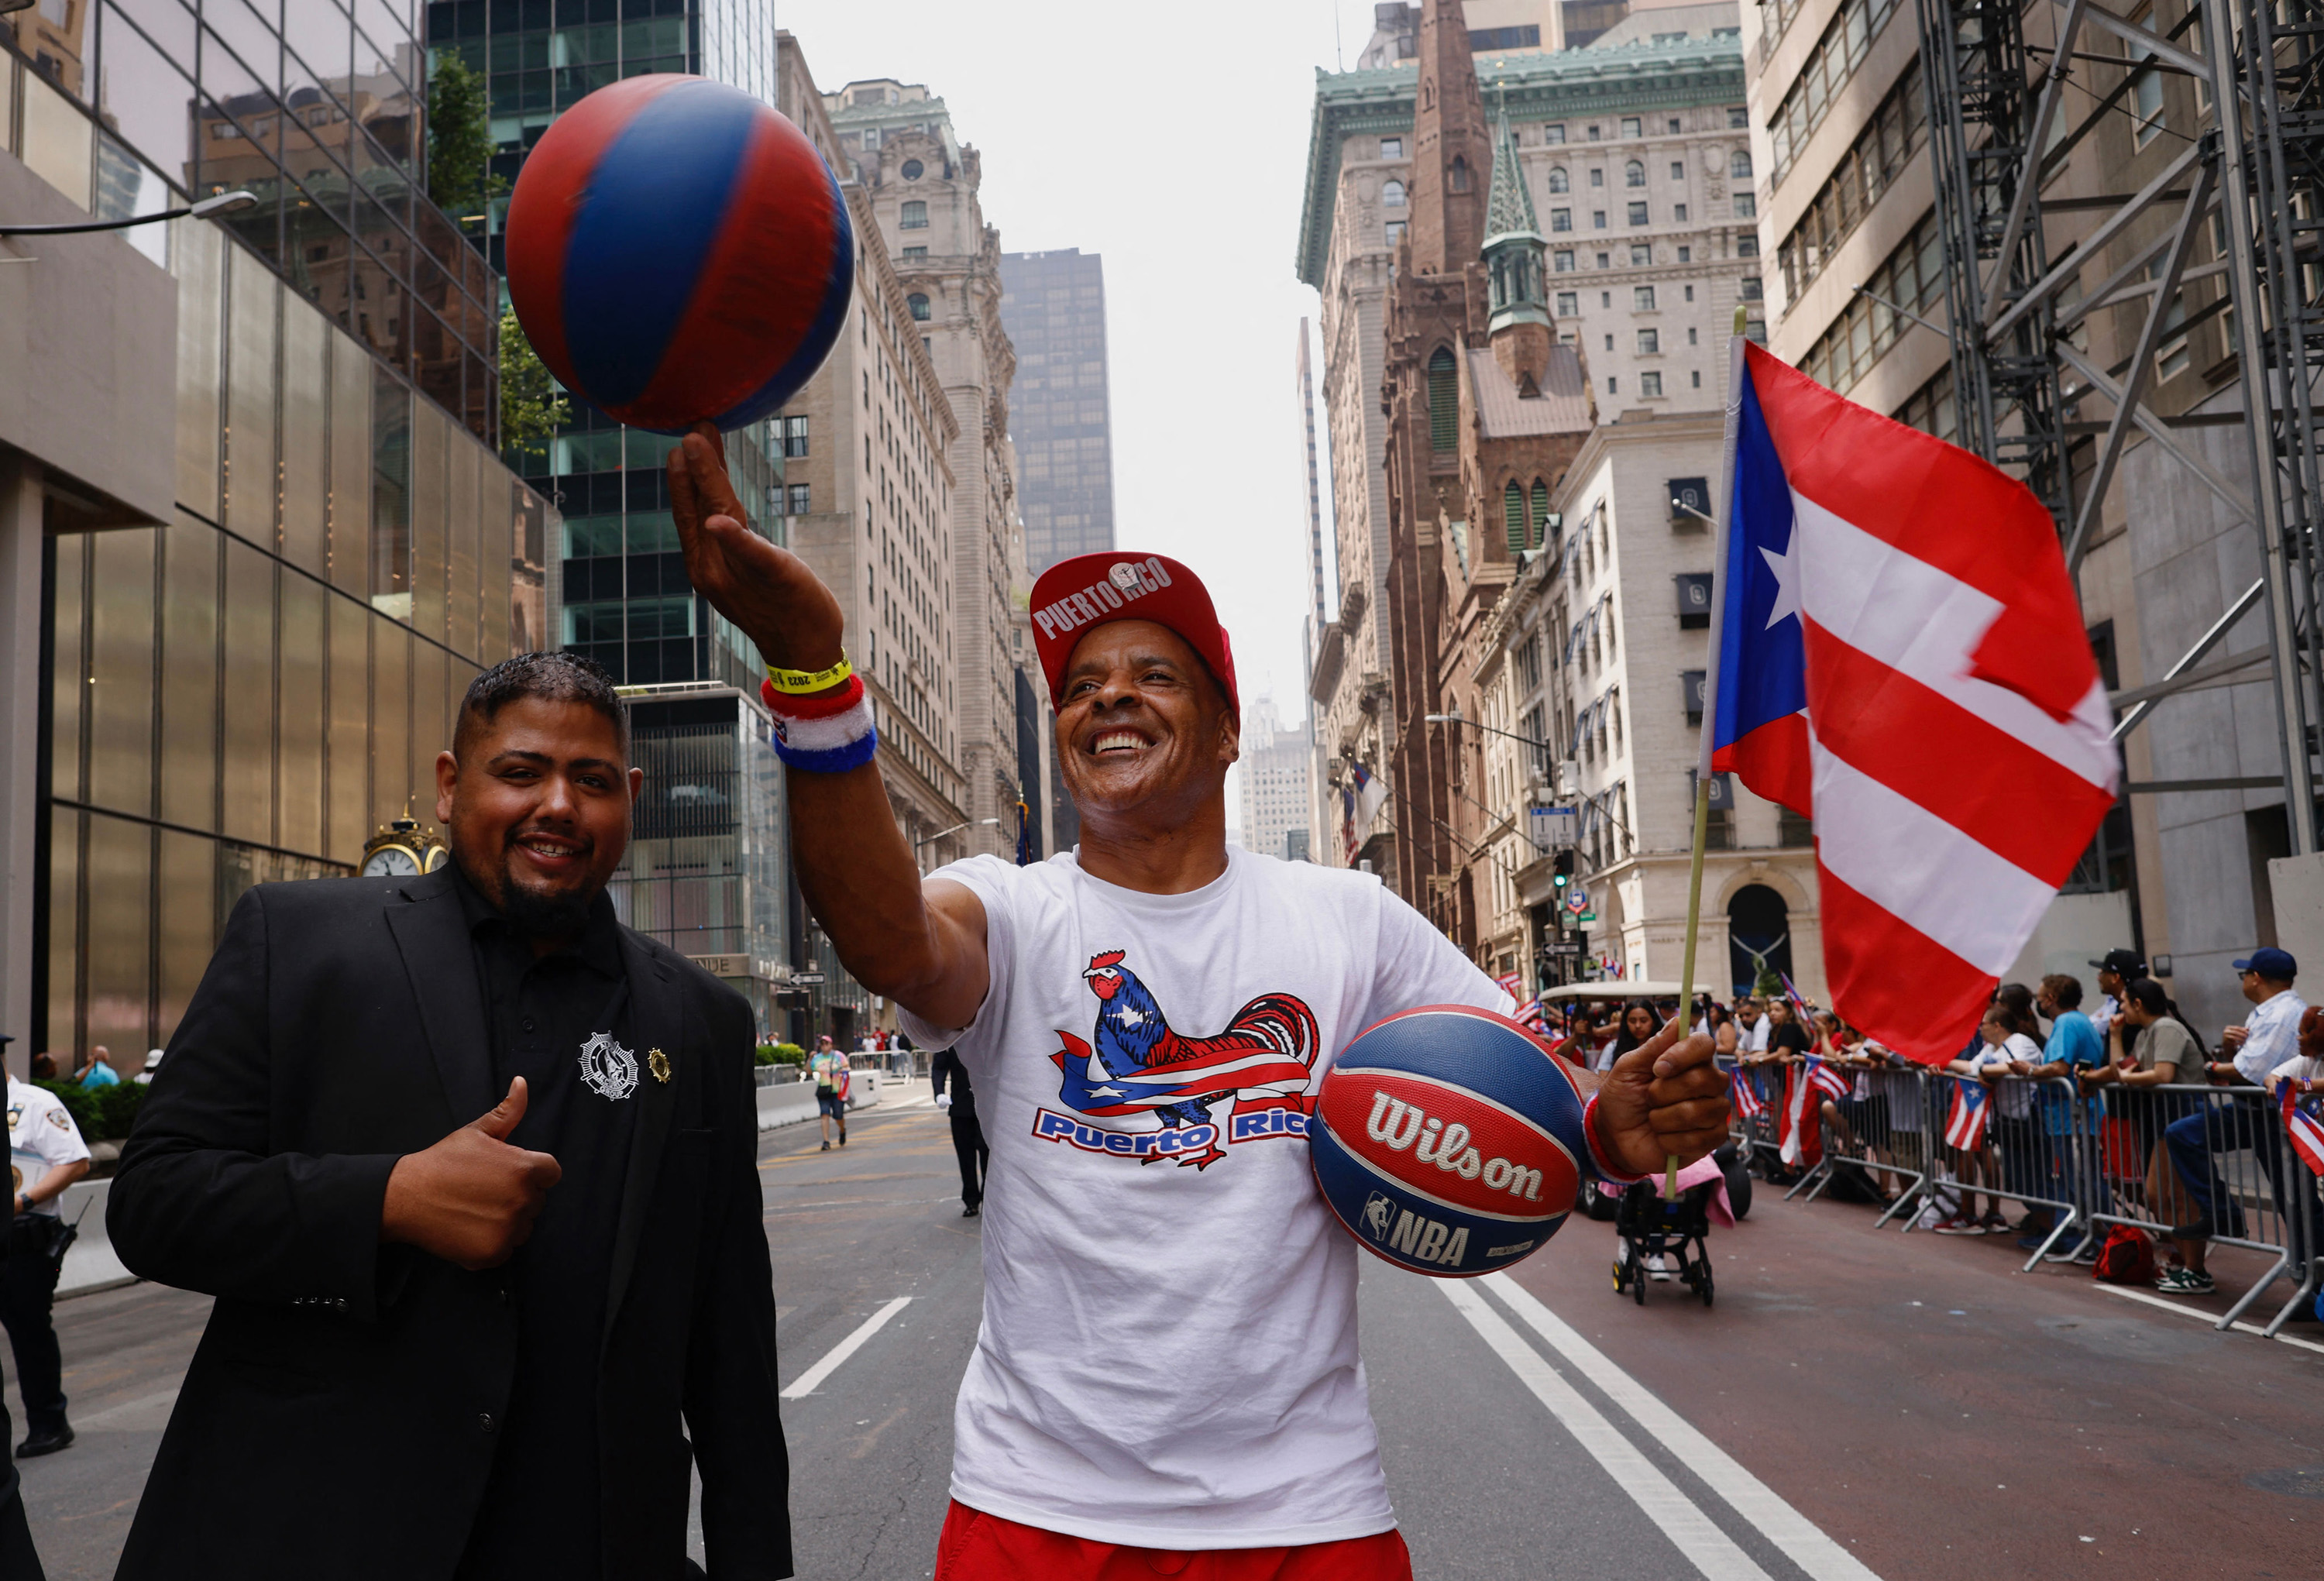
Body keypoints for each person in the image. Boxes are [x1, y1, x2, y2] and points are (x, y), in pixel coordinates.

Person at [667, 424, 1726, 1579]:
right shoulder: (1011, 907)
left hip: (1305, 1517)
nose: (1109, 695)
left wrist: (1606, 1132)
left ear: (1227, 732)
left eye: (1152, 674)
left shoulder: (1347, 917)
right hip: (1036, 1512)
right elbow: (888, 940)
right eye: (1081, 686)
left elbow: (1531, 1095)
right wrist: (814, 676)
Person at [106, 653, 789, 1580]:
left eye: (590, 780)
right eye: (520, 772)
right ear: (449, 784)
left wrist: (756, 1558)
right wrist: (388, 1197)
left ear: (628, 796)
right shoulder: (298, 942)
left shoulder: (703, 1020)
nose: (557, 804)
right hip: (317, 1536)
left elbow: (730, 1335)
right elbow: (153, 1201)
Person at [2155, 949, 2310, 1297]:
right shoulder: (2271, 1012)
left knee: (2298, 1202)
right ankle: (2224, 1214)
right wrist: (2227, 1051)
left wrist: (2214, 1068)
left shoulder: (2283, 1013)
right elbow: (2240, 1068)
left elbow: (2246, 1072)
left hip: (2268, 1113)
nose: (2243, 980)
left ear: (2256, 977)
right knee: (2184, 1135)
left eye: (2245, 974)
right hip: (2256, 1110)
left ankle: (2311, 1284)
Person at [6, 1040, 91, 1460]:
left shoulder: (36, 1104)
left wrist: (22, 1201)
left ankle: (48, 1424)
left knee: (30, 1335)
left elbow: (75, 1162)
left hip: (22, 1241)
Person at [2030, 974, 2106, 1260]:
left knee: (2081, 1178)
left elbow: (2060, 1067)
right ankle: (2080, 1237)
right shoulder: (2077, 1022)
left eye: (2040, 996)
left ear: (2051, 999)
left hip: (2071, 1117)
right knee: (2077, 1178)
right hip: (2070, 1116)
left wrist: (2028, 1070)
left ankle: (2094, 1240)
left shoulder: (2067, 1023)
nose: (2038, 1001)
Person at [930, 1047, 988, 1218]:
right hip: (960, 1106)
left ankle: (989, 1199)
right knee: (965, 1157)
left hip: (987, 1106)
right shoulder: (951, 1038)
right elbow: (939, 1067)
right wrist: (939, 1093)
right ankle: (971, 1201)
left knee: (989, 1157)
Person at [2088, 948, 2144, 1041]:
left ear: (2115, 978)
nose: (2099, 978)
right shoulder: (2118, 1004)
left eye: (2102, 973)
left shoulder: (2132, 1017)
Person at [810, 1035, 850, 1151]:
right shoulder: (817, 1058)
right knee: (824, 1114)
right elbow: (808, 1070)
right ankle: (826, 1141)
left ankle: (842, 1130)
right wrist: (809, 1059)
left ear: (831, 1045)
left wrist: (843, 1071)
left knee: (838, 1115)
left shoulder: (838, 1056)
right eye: (822, 1044)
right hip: (823, 1090)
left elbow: (847, 1068)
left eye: (826, 1043)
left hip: (837, 1090)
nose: (824, 1046)